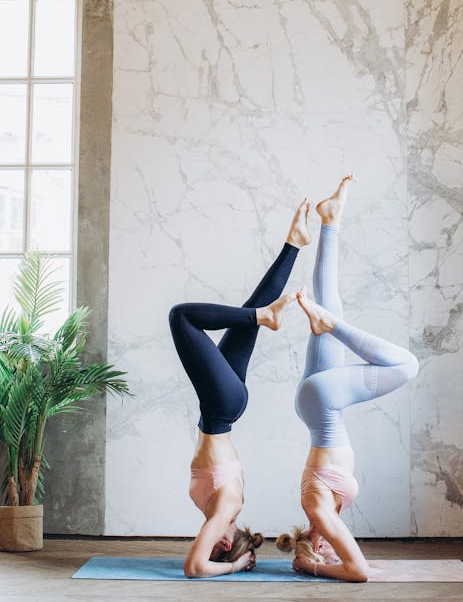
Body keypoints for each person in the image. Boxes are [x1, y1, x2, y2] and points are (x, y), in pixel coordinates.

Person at [276, 175, 419, 582]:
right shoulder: (320, 511)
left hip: (323, 403)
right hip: (316, 405)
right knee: (327, 299)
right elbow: (357, 563)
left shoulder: (318, 511)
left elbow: (357, 573)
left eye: (325, 549)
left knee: (406, 366)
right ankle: (331, 220)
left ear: (315, 546)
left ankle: (330, 323)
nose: (334, 548)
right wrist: (319, 558)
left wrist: (312, 566)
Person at [168, 200, 310, 577]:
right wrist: (234, 567)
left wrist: (241, 560)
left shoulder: (222, 510)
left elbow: (200, 558)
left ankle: (293, 244)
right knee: (182, 317)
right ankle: (265, 315)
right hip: (220, 408)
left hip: (221, 407)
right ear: (225, 544)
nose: (205, 540)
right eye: (215, 547)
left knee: (249, 316)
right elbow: (194, 569)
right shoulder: (226, 509)